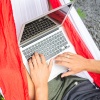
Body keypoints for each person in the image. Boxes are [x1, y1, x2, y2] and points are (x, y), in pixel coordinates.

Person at [27, 52, 100, 100]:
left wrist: (41, 85)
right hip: (82, 81)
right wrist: (86, 63)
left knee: (21, 64)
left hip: (53, 95)